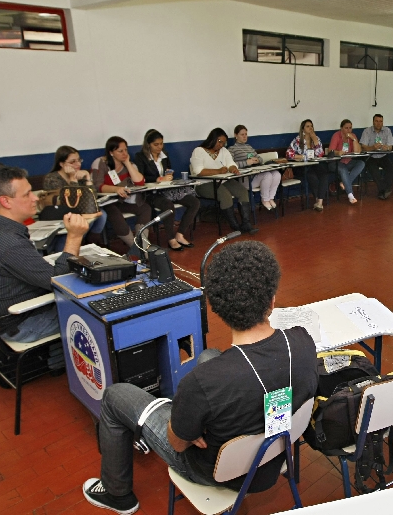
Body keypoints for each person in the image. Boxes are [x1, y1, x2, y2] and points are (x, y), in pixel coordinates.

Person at [81, 241, 318, 514]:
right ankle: (193, 416)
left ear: (218, 310)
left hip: (215, 470)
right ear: (272, 300)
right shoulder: (302, 341)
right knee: (210, 355)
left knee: (115, 396)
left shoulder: (202, 382)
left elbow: (178, 443)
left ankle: (116, 494)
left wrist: (184, 425)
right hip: (276, 457)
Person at [0, 165, 89, 344]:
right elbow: (60, 281)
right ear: (6, 201)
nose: (35, 198)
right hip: (22, 323)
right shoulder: (8, 242)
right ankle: (59, 361)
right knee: (95, 310)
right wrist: (75, 237)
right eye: (27, 194)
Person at [134, 130, 200, 251]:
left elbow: (168, 170)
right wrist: (158, 179)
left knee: (194, 202)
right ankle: (171, 239)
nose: (159, 147)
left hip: (167, 190)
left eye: (161, 143)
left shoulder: (164, 155)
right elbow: (140, 177)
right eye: (156, 144)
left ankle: (180, 234)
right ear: (148, 144)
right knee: (168, 206)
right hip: (151, 193)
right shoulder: (140, 157)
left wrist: (169, 176)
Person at [190, 128, 258, 234]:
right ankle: (235, 226)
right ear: (212, 139)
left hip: (223, 180)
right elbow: (198, 171)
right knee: (225, 196)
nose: (221, 145)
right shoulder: (199, 151)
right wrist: (219, 171)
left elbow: (231, 163)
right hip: (203, 184)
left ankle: (246, 223)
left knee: (242, 191)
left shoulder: (224, 151)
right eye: (219, 141)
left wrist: (233, 169)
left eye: (223, 142)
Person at [92, 137, 153, 254]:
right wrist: (116, 189)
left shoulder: (130, 164)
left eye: (126, 150)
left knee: (145, 208)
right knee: (114, 212)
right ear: (111, 152)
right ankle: (135, 247)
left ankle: (143, 244)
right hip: (107, 201)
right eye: (120, 151)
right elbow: (97, 185)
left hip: (124, 201)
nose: (125, 153)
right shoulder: (100, 163)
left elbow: (140, 182)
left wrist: (127, 164)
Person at [43, 146, 108, 245]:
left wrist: (87, 178)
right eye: (72, 162)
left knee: (101, 214)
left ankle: (90, 242)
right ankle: (78, 242)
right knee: (86, 218)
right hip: (61, 213)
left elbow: (92, 197)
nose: (78, 164)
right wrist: (72, 178)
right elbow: (71, 202)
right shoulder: (52, 178)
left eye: (79, 160)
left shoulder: (80, 175)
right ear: (61, 164)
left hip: (80, 211)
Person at [227, 125, 282, 211]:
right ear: (236, 135)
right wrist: (246, 162)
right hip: (245, 179)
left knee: (276, 174)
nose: (245, 136)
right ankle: (265, 199)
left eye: (246, 134)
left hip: (256, 174)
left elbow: (260, 158)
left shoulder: (249, 147)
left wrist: (257, 160)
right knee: (267, 175)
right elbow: (231, 164)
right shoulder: (232, 149)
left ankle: (270, 197)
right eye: (242, 134)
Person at [286, 119, 328, 211]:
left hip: (314, 164)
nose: (310, 128)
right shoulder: (297, 140)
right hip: (302, 166)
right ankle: (317, 200)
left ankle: (319, 202)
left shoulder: (316, 139)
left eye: (311, 126)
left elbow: (320, 154)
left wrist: (315, 140)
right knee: (312, 176)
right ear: (303, 129)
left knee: (324, 175)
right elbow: (289, 154)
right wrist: (300, 156)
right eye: (307, 126)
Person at [329, 119, 364, 204]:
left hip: (348, 161)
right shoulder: (336, 136)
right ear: (341, 128)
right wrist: (338, 152)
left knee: (361, 163)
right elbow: (330, 151)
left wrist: (354, 140)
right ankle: (350, 195)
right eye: (346, 128)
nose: (348, 130)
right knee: (343, 169)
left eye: (350, 128)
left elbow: (357, 152)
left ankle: (344, 183)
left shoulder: (353, 136)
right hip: (335, 162)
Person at [360, 114, 393, 200]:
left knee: (390, 168)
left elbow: (391, 146)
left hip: (383, 155)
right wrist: (372, 147)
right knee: (375, 172)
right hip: (371, 156)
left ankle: (383, 191)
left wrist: (386, 147)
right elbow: (363, 147)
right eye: (376, 121)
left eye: (380, 121)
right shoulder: (367, 131)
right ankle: (384, 190)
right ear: (373, 122)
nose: (379, 123)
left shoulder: (387, 130)